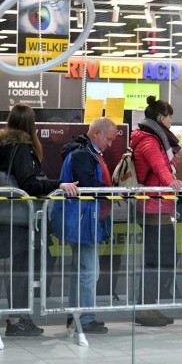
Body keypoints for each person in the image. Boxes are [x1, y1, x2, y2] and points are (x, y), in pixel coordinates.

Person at [0, 104, 79, 336]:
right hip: (21, 221)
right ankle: (17, 319)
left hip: (13, 219)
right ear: (30, 123)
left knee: (23, 267)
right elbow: (29, 183)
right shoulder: (21, 147)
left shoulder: (7, 147)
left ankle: (18, 317)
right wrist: (57, 184)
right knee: (23, 268)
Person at [54, 117, 119, 335]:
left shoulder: (85, 153)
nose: (110, 144)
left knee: (81, 270)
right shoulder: (83, 154)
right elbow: (89, 185)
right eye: (108, 139)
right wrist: (113, 191)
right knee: (89, 271)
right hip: (83, 220)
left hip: (83, 220)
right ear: (96, 133)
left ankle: (77, 316)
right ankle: (85, 317)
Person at [129, 96, 182, 327]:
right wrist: (171, 182)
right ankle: (145, 307)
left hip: (158, 205)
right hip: (154, 206)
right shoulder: (151, 141)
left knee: (163, 258)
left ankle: (149, 304)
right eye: (170, 116)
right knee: (157, 259)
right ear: (162, 118)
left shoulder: (150, 137)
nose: (172, 121)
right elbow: (159, 166)